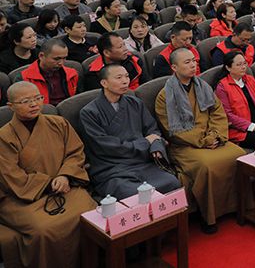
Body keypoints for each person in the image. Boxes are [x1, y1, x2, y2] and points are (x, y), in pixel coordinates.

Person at [0, 81, 97, 268]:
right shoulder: (4, 136)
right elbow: (9, 175)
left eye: (38, 98)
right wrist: (48, 183)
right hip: (22, 197)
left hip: (65, 186)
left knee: (90, 211)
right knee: (45, 230)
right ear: (11, 106)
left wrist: (65, 175)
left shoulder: (58, 123)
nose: (34, 104)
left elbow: (75, 153)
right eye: (26, 101)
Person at [155, 48, 245, 233]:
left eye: (194, 61)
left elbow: (218, 113)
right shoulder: (165, 95)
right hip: (185, 145)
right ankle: (209, 216)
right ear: (174, 67)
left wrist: (215, 135)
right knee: (207, 166)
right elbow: (173, 129)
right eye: (187, 62)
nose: (193, 65)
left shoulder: (203, 86)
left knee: (239, 154)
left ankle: (239, 206)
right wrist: (204, 141)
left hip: (212, 137)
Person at [79, 64, 181, 199]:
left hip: (142, 162)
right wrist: (145, 143)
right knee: (135, 194)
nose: (125, 81)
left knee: (172, 182)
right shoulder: (89, 112)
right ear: (104, 83)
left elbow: (152, 130)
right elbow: (105, 146)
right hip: (113, 168)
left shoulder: (135, 103)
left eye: (127, 76)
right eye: (119, 77)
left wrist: (156, 145)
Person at [15, 39, 78, 106]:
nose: (61, 63)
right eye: (56, 59)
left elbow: (78, 99)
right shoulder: (24, 78)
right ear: (41, 56)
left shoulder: (72, 74)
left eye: (64, 58)